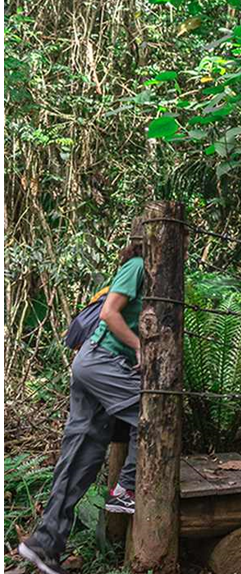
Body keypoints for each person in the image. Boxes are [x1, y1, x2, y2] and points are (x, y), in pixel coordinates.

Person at [19, 220, 146, 574]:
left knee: (81, 457)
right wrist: (141, 347)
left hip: (95, 367)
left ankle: (44, 545)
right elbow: (109, 313)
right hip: (100, 361)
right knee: (150, 413)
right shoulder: (137, 267)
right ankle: (127, 488)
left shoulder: (148, 272)